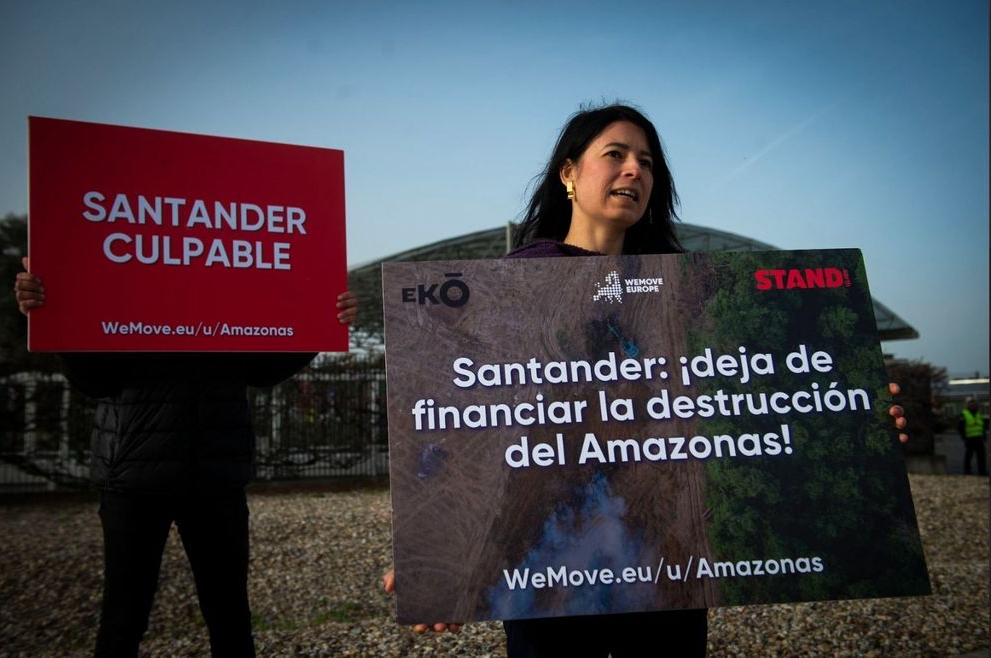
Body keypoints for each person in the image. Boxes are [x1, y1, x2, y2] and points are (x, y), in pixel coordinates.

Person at [384, 103, 909, 657]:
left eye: (647, 163)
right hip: (549, 576)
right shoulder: (509, 286)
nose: (635, 170)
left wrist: (857, 419)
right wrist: (433, 559)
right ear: (569, 173)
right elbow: (455, 422)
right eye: (615, 154)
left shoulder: (687, 288)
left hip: (669, 570)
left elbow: (759, 395)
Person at [14, 257, 357, 657]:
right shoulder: (123, 294)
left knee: (229, 617)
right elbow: (96, 380)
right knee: (125, 618)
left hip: (211, 474)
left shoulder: (228, 297)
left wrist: (322, 325)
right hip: (136, 478)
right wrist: (52, 314)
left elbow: (262, 370)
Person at [958, 397, 987, 475]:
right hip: (970, 438)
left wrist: (984, 435)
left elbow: (982, 426)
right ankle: (967, 471)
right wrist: (964, 438)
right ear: (967, 405)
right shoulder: (964, 414)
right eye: (970, 404)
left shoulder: (978, 414)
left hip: (979, 438)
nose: (972, 405)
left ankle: (982, 472)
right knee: (968, 456)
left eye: (973, 404)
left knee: (981, 456)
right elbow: (961, 428)